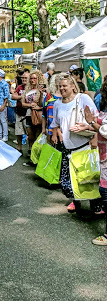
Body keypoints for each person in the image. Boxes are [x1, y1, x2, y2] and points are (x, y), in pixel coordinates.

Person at [51, 73, 101, 215]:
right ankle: (76, 200)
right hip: (67, 148)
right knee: (68, 182)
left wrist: (88, 128)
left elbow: (96, 120)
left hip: (84, 145)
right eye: (59, 86)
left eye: (65, 86)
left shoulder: (83, 98)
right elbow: (55, 123)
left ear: (73, 86)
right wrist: (56, 134)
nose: (62, 89)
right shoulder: (57, 104)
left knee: (89, 177)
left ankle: (96, 205)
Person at [78, 78, 107, 244]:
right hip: (104, 157)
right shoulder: (103, 105)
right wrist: (88, 126)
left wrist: (90, 121)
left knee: (105, 193)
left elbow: (105, 130)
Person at [21, 69, 45, 158]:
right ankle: (31, 151)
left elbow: (45, 104)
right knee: (30, 136)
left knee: (38, 136)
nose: (32, 80)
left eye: (35, 78)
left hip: (38, 115)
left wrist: (39, 107)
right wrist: (29, 105)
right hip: (28, 115)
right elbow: (23, 103)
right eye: (31, 78)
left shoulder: (42, 90)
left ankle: (37, 155)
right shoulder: (27, 90)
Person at [11, 70, 29, 151]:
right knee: (18, 132)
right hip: (19, 112)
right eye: (23, 78)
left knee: (29, 133)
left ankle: (30, 149)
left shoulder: (31, 88)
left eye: (26, 78)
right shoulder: (19, 87)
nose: (24, 79)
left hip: (28, 114)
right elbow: (13, 97)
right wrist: (21, 97)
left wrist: (19, 96)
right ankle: (19, 148)